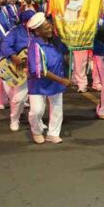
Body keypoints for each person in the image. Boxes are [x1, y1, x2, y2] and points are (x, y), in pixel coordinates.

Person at [26, 12, 72, 144]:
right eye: (46, 28)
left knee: (57, 108)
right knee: (36, 111)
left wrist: (69, 40)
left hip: (55, 83)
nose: (50, 29)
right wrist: (62, 80)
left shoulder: (54, 41)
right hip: (39, 84)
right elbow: (40, 70)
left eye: (50, 26)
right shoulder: (35, 46)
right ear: (38, 31)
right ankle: (36, 131)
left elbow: (65, 50)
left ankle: (53, 133)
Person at [1, 10, 35, 131]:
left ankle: (38, 122)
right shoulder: (16, 32)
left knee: (39, 99)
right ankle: (14, 120)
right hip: (20, 69)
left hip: (36, 69)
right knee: (18, 98)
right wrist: (13, 56)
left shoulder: (39, 31)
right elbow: (5, 45)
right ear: (25, 22)